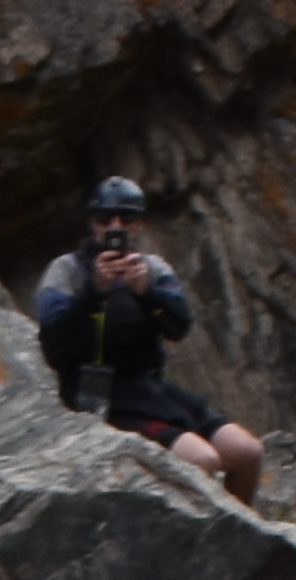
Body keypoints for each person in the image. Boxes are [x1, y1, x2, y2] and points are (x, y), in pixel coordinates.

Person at [34, 178, 261, 490]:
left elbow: (178, 326)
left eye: (126, 218)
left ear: (139, 223)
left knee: (247, 452)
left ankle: (240, 534)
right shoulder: (66, 270)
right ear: (92, 222)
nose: (116, 226)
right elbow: (54, 345)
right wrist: (93, 292)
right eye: (105, 218)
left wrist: (146, 292)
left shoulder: (152, 268)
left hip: (149, 386)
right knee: (203, 459)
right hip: (98, 393)